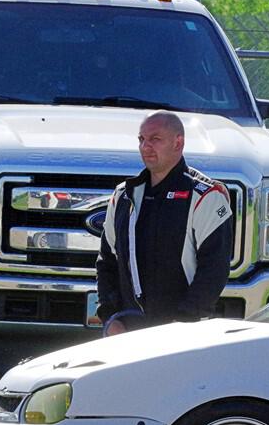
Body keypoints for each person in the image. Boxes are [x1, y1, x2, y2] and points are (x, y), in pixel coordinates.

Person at [96, 111, 233, 336]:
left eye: (155, 139)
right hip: (126, 333)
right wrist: (110, 318)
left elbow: (214, 271)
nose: (145, 146)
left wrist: (183, 323)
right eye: (141, 139)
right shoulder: (123, 196)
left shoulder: (205, 197)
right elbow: (106, 261)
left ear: (178, 142)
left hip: (183, 336)